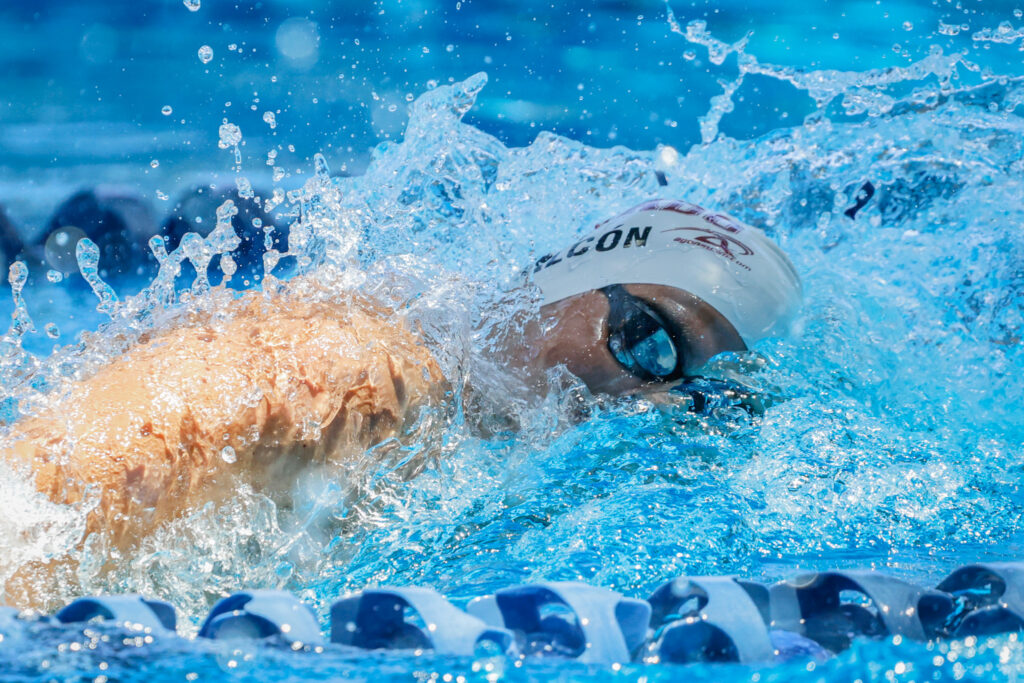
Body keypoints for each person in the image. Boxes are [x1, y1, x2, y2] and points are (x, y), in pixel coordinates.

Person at [0, 199, 801, 608]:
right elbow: (33, 499)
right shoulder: (353, 368)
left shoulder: (483, 424)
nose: (649, 402)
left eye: (703, 399)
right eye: (649, 339)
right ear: (566, 280)